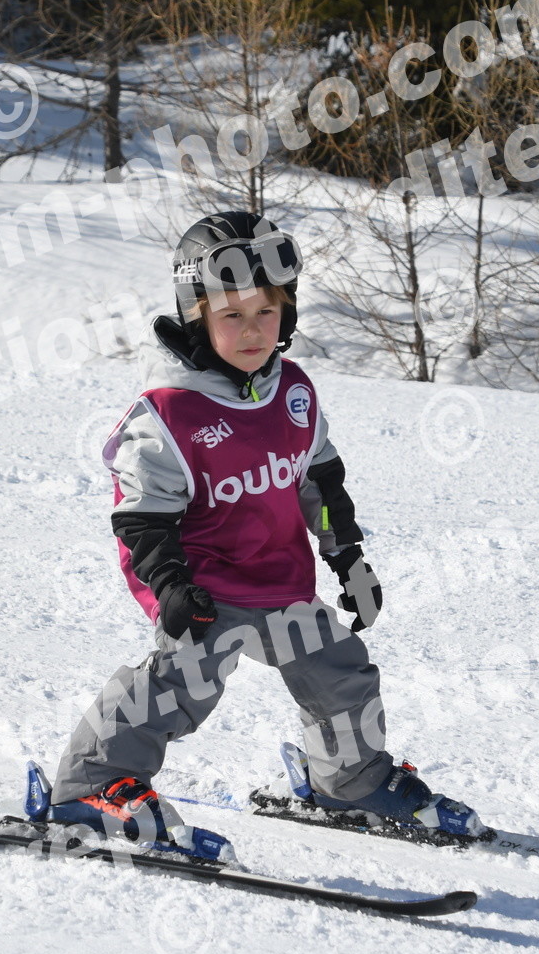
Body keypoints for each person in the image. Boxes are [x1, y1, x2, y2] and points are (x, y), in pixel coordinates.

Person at [42, 211, 482, 860]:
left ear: (288, 312)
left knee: (343, 674)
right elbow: (141, 518)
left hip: (280, 584)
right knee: (178, 683)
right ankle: (92, 787)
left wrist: (348, 557)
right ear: (197, 316)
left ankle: (348, 783)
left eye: (266, 312)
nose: (252, 331)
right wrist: (171, 586)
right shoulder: (168, 412)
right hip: (204, 587)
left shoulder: (292, 392)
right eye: (232, 315)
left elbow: (319, 483)